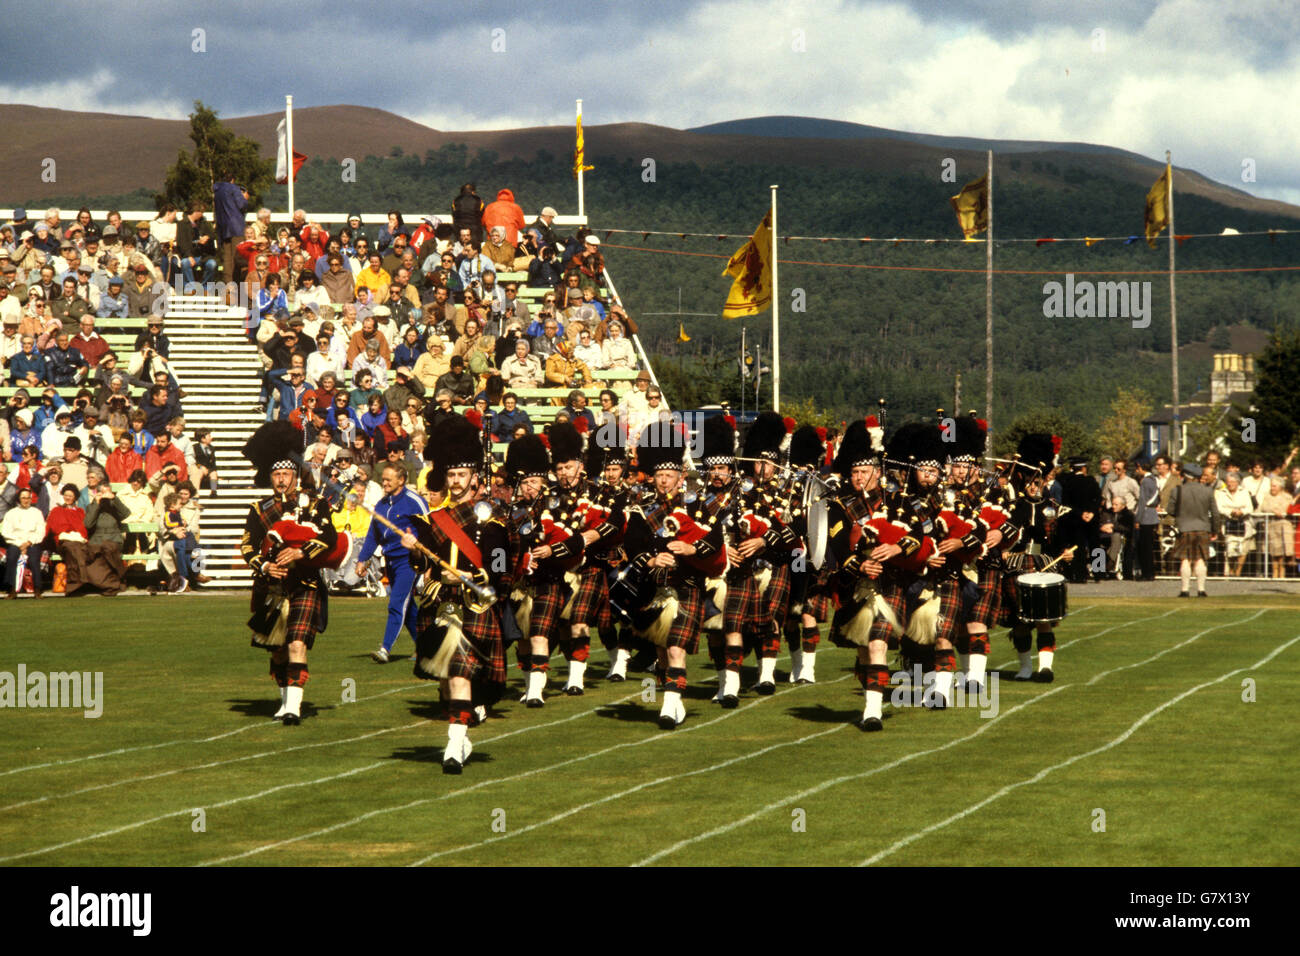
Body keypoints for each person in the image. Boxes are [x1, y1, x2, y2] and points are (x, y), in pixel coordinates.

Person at [404, 416, 513, 773]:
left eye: (461, 476)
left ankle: (453, 745)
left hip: (474, 606)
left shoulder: (493, 520)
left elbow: (499, 566)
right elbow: (421, 566)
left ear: (474, 480)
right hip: (440, 604)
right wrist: (415, 548)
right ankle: (461, 736)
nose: (455, 481)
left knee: (461, 674)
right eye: (450, 475)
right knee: (449, 681)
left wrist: (470, 575)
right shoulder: (433, 519)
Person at [239, 422, 341, 724]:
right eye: (276, 475)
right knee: (278, 650)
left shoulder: (315, 504)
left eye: (286, 474)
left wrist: (300, 552)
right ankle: (285, 701)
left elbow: (329, 537)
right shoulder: (259, 509)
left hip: (304, 583)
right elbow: (247, 545)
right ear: (270, 477)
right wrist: (265, 565)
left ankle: (294, 707)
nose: (281, 480)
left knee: (297, 643)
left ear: (295, 476)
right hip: (271, 587)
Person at [356, 459, 429, 663]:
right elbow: (373, 535)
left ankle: (385, 649)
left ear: (401, 480)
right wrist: (363, 559)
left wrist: (421, 552)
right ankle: (425, 647)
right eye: (383, 479)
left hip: (410, 561)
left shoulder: (414, 501)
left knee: (396, 603)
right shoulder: (381, 504)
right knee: (409, 608)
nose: (385, 483)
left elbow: (430, 529)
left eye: (389, 479)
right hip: (390, 561)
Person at [1169, 463, 1220, 598]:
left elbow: (1170, 510)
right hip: (1203, 528)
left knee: (1185, 559)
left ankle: (1185, 590)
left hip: (1184, 528)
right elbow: (1215, 513)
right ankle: (1201, 589)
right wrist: (1216, 529)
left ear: (1185, 475)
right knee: (1200, 559)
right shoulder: (1208, 491)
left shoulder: (1177, 491)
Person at [2, 487, 45, 597]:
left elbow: (40, 531)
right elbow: (5, 531)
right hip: (16, 542)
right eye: (23, 498)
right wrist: (19, 543)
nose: (26, 500)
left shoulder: (37, 513)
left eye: (28, 498)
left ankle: (37, 589)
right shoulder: (11, 513)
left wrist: (29, 542)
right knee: (11, 556)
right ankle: (11, 589)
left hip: (32, 543)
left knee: (34, 559)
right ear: (19, 499)